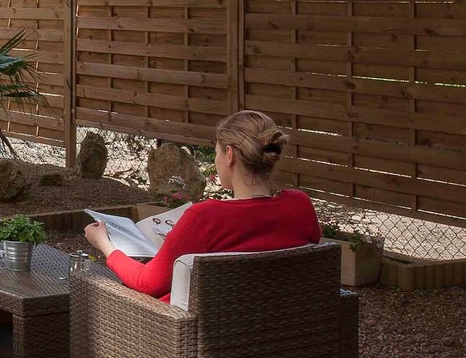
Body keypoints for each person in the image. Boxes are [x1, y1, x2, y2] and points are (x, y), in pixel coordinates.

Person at [83, 110, 321, 302]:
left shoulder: (206, 216)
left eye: (216, 152)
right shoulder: (299, 206)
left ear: (229, 155)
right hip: (284, 332)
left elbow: (148, 283)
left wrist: (105, 244)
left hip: (189, 340)